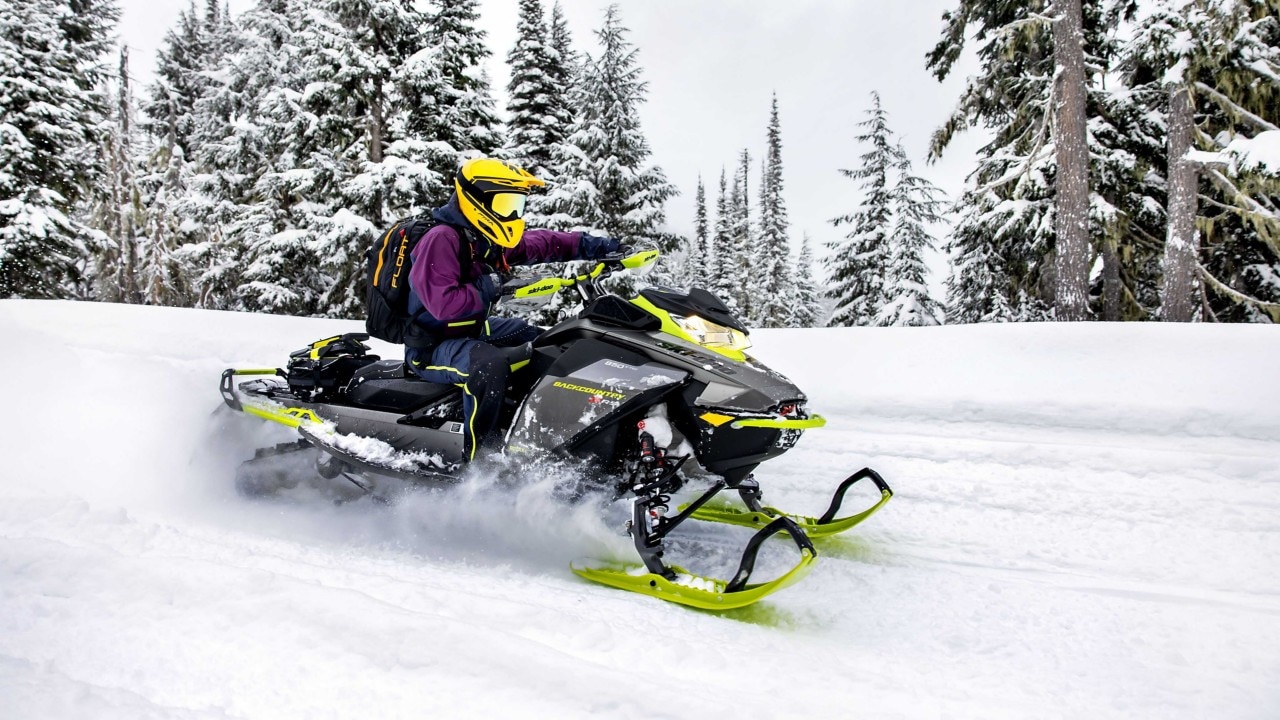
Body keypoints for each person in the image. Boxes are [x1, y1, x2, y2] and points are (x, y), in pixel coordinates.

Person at [404, 157, 621, 459]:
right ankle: (482, 461)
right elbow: (444, 305)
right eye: (505, 205)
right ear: (476, 200)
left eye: (516, 205)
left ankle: (542, 431)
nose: (512, 214)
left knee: (548, 340)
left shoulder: (482, 237)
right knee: (487, 365)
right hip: (431, 344)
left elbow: (544, 243)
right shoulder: (441, 239)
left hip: (471, 330)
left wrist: (602, 247)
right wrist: (493, 284)